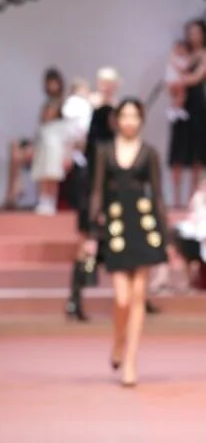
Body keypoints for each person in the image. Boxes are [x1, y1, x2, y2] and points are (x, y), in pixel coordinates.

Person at [85, 98, 167, 387]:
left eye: (135, 116)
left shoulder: (150, 153)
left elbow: (158, 195)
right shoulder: (104, 151)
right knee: (121, 298)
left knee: (138, 296)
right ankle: (118, 342)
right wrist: (91, 232)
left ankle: (130, 361)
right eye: (125, 116)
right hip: (116, 225)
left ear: (141, 120)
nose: (130, 121)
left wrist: (165, 237)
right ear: (117, 120)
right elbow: (96, 191)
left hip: (143, 225)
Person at [67, 67, 121, 322]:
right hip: (91, 188)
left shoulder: (118, 111)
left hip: (111, 187)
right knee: (86, 245)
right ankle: (74, 300)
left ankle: (133, 298)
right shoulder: (89, 106)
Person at [168, 20, 206, 208]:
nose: (194, 36)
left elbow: (196, 77)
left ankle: (193, 197)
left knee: (197, 152)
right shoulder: (182, 53)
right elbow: (172, 77)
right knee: (178, 152)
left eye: (197, 32)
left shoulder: (203, 54)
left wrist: (180, 78)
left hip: (197, 105)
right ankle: (176, 199)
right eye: (191, 33)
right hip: (180, 105)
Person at [30, 68, 67, 215]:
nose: (51, 86)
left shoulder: (63, 103)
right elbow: (42, 122)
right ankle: (43, 199)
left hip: (56, 142)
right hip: (43, 140)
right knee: (42, 171)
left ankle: (51, 200)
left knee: (52, 172)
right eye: (49, 83)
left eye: (54, 83)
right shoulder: (46, 103)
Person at [165, 40, 190, 122]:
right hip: (172, 81)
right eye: (179, 48)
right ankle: (172, 109)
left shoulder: (184, 59)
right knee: (176, 95)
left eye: (183, 49)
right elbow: (180, 68)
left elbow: (185, 69)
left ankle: (178, 109)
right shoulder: (173, 57)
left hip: (179, 81)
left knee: (182, 96)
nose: (181, 51)